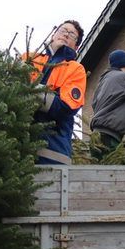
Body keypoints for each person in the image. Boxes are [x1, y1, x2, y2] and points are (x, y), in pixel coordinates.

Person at [24, 20, 87, 165]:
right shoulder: (28, 58)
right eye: (63, 30)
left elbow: (66, 106)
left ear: (76, 46)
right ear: (54, 34)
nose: (65, 35)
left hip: (52, 151)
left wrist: (30, 91)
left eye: (72, 35)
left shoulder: (75, 69)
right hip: (15, 147)